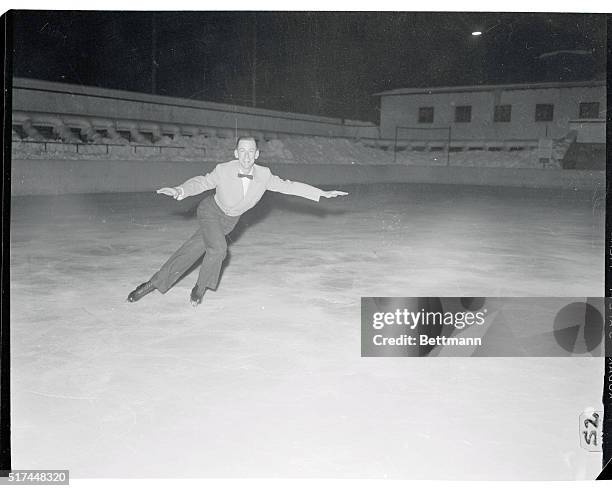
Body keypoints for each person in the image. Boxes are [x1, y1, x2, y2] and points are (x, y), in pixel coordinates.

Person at [127, 136, 348, 306]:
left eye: (251, 151)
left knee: (192, 249)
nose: (246, 156)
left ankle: (153, 283)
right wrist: (180, 190)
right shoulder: (223, 170)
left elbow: (289, 186)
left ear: (257, 154)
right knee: (219, 249)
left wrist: (320, 193)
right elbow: (202, 182)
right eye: (242, 151)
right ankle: (199, 289)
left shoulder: (264, 175)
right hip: (211, 211)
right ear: (235, 153)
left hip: (229, 221)